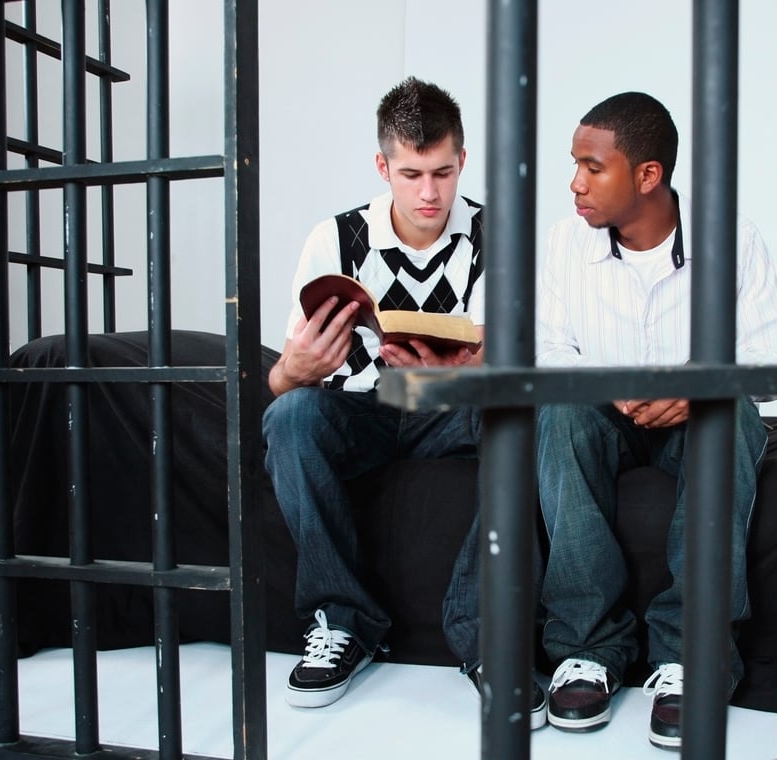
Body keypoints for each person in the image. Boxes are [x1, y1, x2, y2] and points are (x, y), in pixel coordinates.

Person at [262, 76, 545, 727]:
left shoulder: (496, 236)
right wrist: (290, 372)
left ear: (462, 162)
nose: (429, 193)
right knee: (289, 414)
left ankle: (485, 636)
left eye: (443, 173)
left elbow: (521, 363)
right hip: (365, 408)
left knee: (529, 414)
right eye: (412, 173)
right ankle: (343, 621)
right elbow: (282, 385)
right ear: (382, 166)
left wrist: (478, 367)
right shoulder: (333, 238)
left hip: (454, 411)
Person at [535, 92, 777, 750]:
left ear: (647, 175)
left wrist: (699, 384)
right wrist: (607, 382)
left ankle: (692, 659)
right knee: (557, 410)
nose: (575, 183)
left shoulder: (731, 238)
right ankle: (589, 649)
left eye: (593, 167)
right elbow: (545, 350)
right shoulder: (565, 241)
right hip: (606, 419)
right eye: (575, 164)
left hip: (695, 425)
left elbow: (775, 361)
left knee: (728, 413)